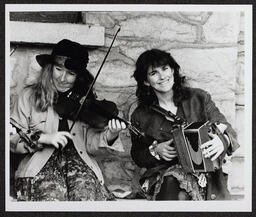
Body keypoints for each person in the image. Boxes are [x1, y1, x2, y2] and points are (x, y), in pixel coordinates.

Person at [10, 39, 126, 201]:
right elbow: (11, 138)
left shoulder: (83, 101)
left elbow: (90, 144)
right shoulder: (29, 96)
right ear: (49, 68)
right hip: (39, 166)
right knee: (51, 198)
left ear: (78, 77)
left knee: (85, 197)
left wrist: (110, 135)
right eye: (58, 69)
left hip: (79, 163)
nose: (63, 78)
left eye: (71, 74)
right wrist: (42, 138)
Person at [130, 49, 240, 200]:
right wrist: (155, 150)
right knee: (172, 183)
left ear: (173, 70)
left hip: (205, 176)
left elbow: (226, 127)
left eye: (165, 68)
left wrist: (223, 141)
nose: (162, 76)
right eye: (153, 73)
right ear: (146, 81)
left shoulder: (199, 98)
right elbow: (137, 155)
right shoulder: (140, 115)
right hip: (164, 178)